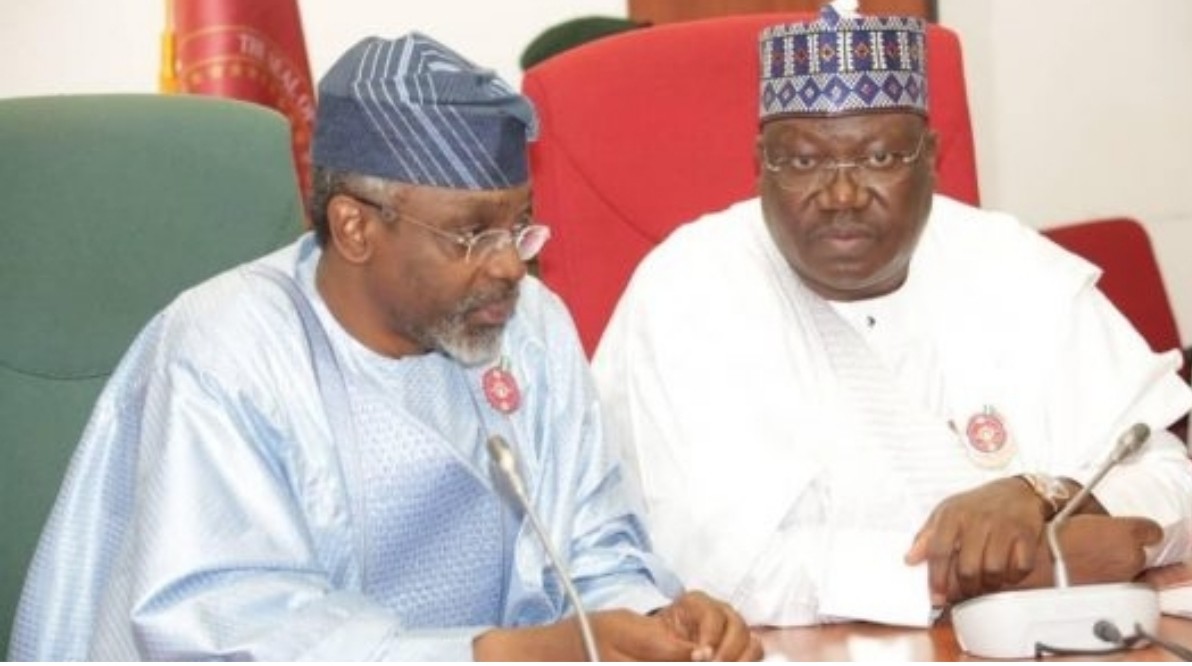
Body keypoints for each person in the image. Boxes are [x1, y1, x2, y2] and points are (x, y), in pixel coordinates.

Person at [10, 33, 760, 661]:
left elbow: (594, 545)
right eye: (473, 234)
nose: (509, 265)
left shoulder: (529, 325)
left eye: (518, 226)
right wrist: (503, 653)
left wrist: (651, 620)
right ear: (356, 227)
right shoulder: (227, 350)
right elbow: (227, 630)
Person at [591, 1, 1192, 628]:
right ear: (760, 164)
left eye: (880, 158)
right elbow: (712, 572)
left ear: (930, 158)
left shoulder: (1011, 263)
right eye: (803, 162)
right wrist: (1017, 567)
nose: (843, 194)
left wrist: (1046, 494)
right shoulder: (689, 290)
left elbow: (1165, 475)